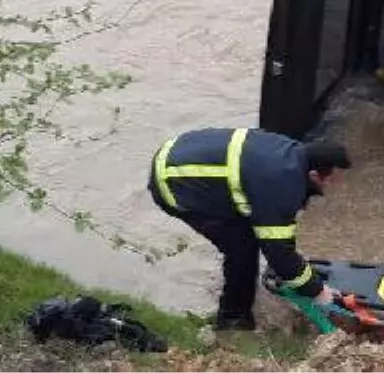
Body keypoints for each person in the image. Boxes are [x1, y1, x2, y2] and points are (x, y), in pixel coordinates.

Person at [147, 128, 350, 331]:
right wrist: (317, 291)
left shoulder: (292, 152)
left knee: (254, 234)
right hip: (174, 184)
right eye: (333, 180)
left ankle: (240, 305)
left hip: (179, 152)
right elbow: (279, 254)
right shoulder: (282, 186)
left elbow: (278, 234)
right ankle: (233, 320)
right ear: (314, 175)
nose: (336, 186)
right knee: (242, 248)